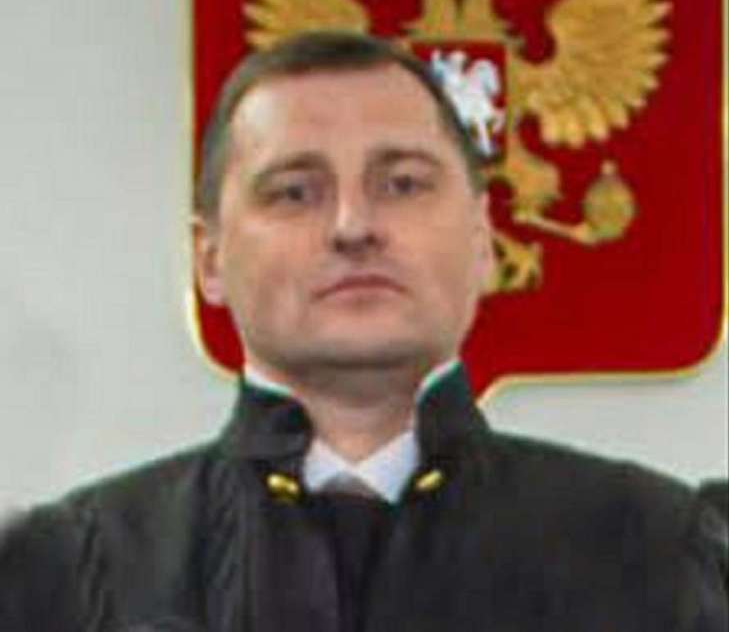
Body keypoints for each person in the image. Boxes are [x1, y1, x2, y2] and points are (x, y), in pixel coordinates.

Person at [1, 31, 726, 632]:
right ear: (209, 258)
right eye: (295, 192)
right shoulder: (66, 575)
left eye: (401, 183)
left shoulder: (661, 553)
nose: (353, 226)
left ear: (482, 240)